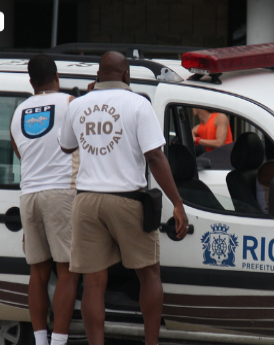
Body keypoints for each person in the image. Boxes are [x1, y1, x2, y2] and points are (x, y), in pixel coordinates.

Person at [58, 51, 188, 345]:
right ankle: (151, 343)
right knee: (149, 274)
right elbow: (154, 156)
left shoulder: (77, 105)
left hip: (87, 202)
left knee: (93, 282)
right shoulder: (138, 104)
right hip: (128, 200)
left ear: (98, 76)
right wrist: (177, 203)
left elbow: (66, 147)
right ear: (126, 75)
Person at [9, 55, 80, 345]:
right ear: (57, 76)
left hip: (29, 195)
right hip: (61, 192)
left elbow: (20, 153)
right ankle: (59, 341)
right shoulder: (70, 103)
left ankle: (40, 340)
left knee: (37, 274)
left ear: (31, 82)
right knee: (67, 272)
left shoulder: (18, 112)